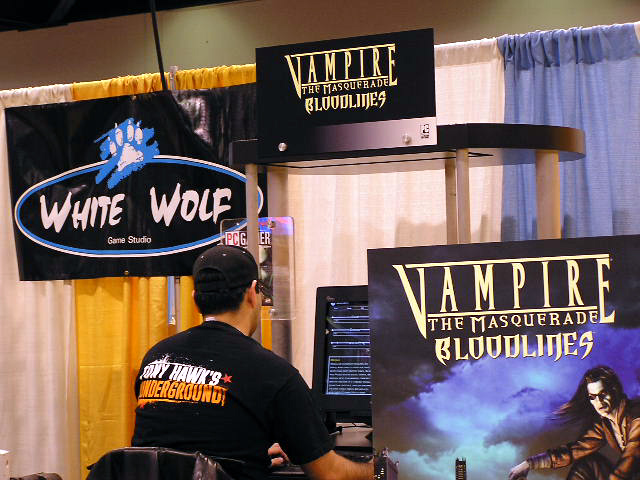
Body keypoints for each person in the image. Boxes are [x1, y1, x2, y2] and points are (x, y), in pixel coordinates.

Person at [132, 245, 373, 480]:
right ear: (253, 293)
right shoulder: (273, 373)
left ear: (195, 299)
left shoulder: (155, 358)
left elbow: (184, 442)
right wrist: (380, 468)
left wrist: (249, 454)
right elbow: (330, 473)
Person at [508, 365, 640, 480]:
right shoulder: (605, 424)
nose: (599, 402)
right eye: (592, 397)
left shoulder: (636, 414)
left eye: (603, 394)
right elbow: (574, 451)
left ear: (614, 390)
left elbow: (631, 458)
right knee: (587, 464)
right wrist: (530, 463)